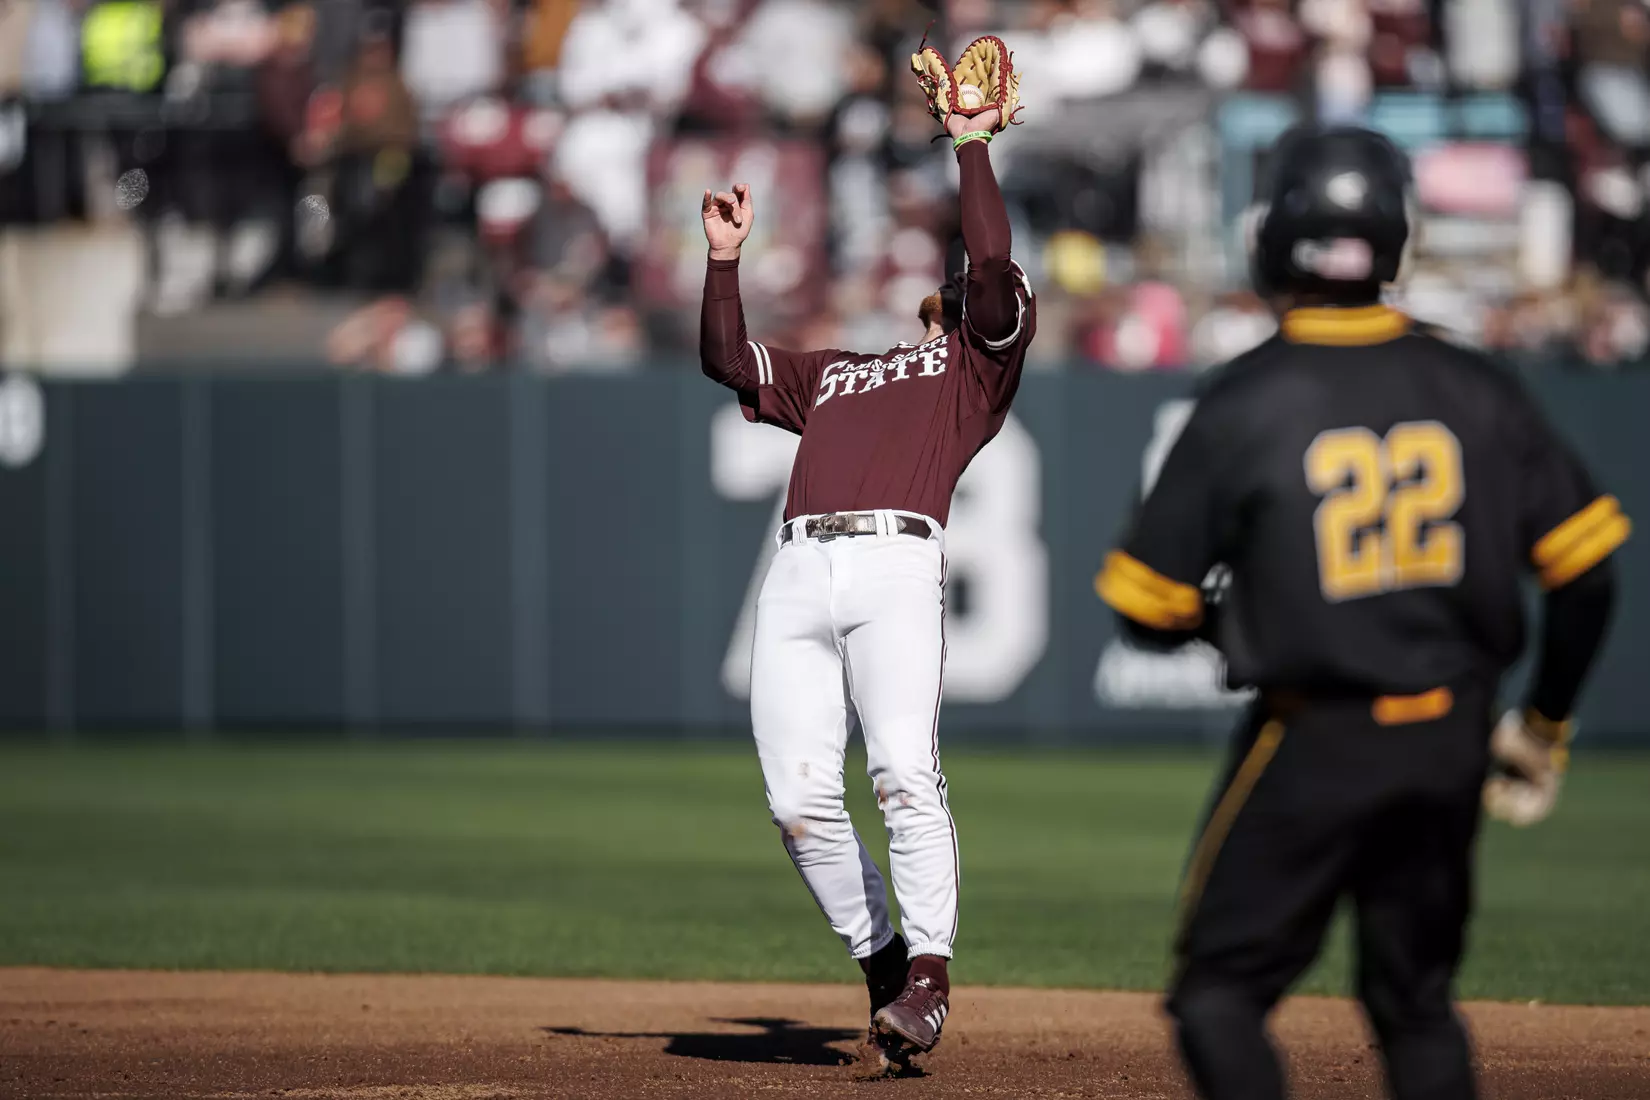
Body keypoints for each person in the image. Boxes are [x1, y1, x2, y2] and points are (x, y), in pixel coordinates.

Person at [1095, 125, 1629, 1100]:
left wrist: (1231, 621)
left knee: (1219, 994)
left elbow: (1143, 603)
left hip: (1319, 733)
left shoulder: (1246, 397)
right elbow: (1588, 572)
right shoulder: (1476, 385)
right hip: (1452, 733)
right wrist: (1543, 724)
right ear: (1393, 240)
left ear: (1271, 240)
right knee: (1416, 1001)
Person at [697, 98, 1034, 1067]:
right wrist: (724, 260)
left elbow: (995, 265)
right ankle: (885, 963)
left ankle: (931, 972)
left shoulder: (974, 371)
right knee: (795, 798)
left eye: (979, 288)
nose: (971, 289)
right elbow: (728, 359)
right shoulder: (844, 370)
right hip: (798, 565)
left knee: (900, 770)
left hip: (893, 560)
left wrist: (971, 144)